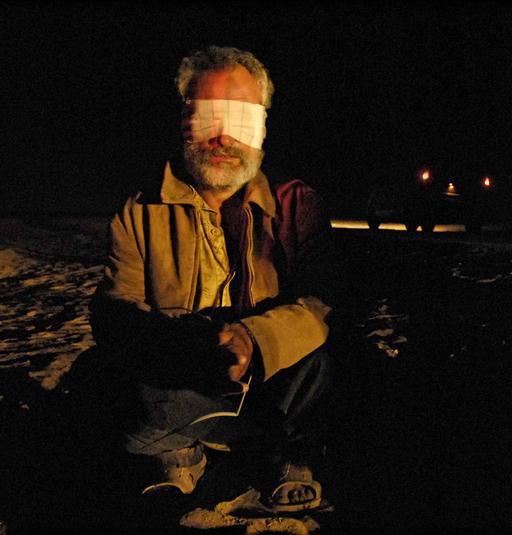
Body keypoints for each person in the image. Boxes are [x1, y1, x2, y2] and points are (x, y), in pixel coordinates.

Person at [89, 45, 342, 513]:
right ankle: (180, 451)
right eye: (207, 118)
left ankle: (287, 454)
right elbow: (114, 309)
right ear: (183, 120)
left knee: (327, 358)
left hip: (272, 387)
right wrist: (187, 348)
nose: (223, 137)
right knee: (104, 382)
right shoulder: (138, 212)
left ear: (262, 125)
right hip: (180, 386)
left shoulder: (296, 204)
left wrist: (255, 340)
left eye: (241, 119)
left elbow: (322, 299)